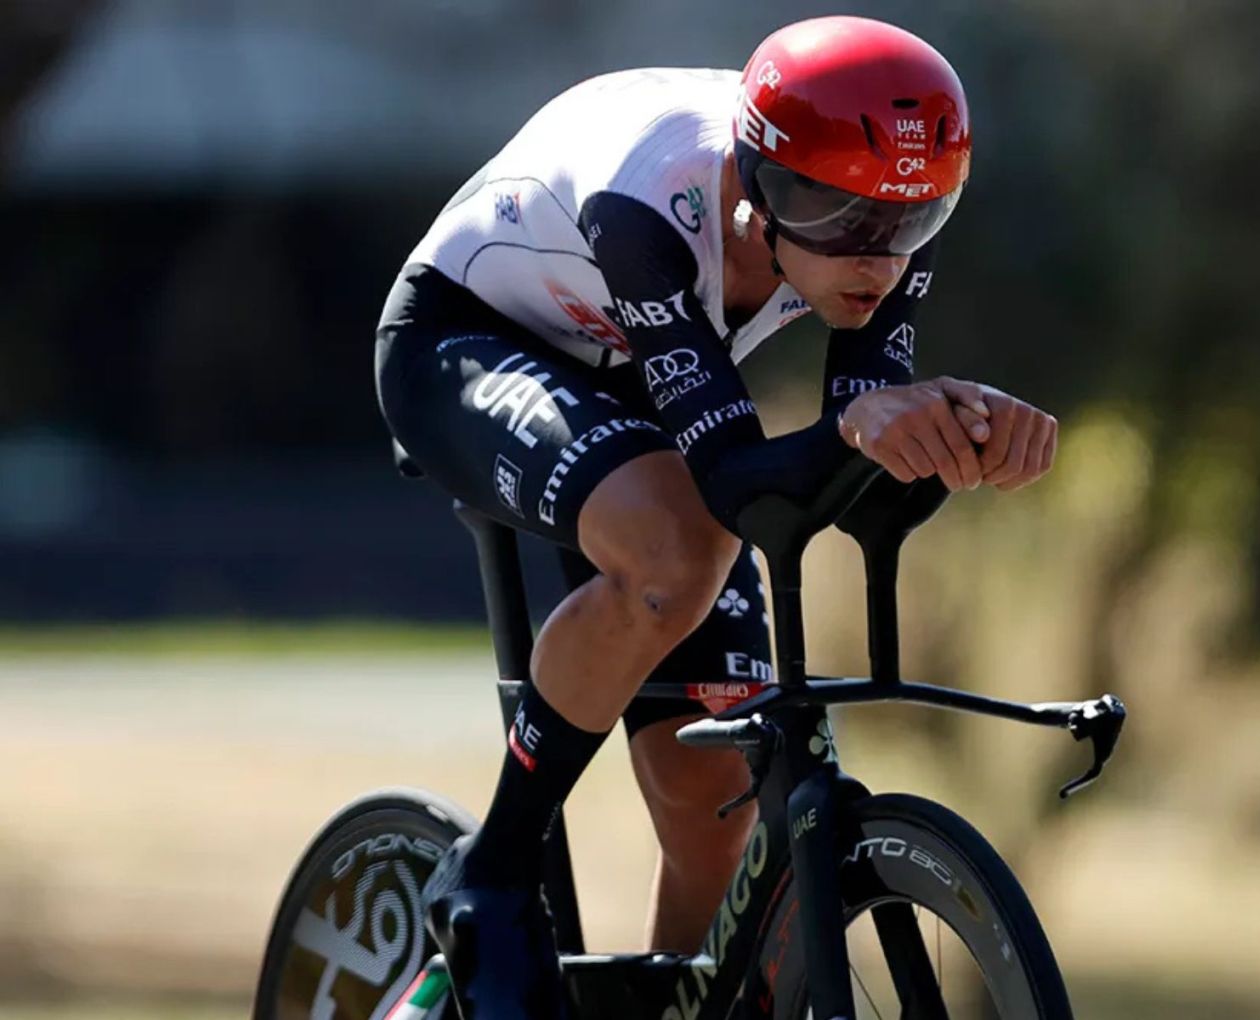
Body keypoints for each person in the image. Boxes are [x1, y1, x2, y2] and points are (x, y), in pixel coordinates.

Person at [373, 14, 1057, 1018]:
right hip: (468, 338)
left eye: (908, 221)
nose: (875, 256)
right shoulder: (651, 197)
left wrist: (955, 442)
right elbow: (739, 476)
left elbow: (845, 457)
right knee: (674, 554)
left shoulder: (886, 222)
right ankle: (493, 871)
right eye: (835, 216)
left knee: (710, 809)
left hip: (638, 379)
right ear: (757, 187)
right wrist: (867, 429)